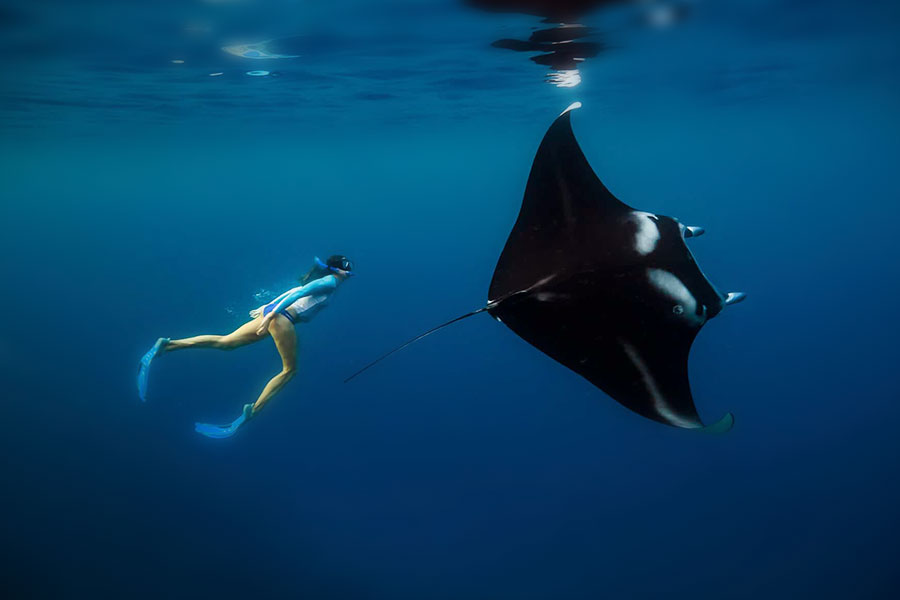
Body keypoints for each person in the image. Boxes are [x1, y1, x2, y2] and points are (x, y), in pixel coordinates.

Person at [137, 255, 354, 438]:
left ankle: (167, 345)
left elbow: (293, 292)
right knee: (290, 371)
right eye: (346, 269)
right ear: (337, 270)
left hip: (276, 315)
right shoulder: (331, 282)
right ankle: (253, 412)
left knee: (226, 342)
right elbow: (297, 295)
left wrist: (266, 308)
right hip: (281, 319)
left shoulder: (324, 281)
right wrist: (269, 316)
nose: (348, 273)